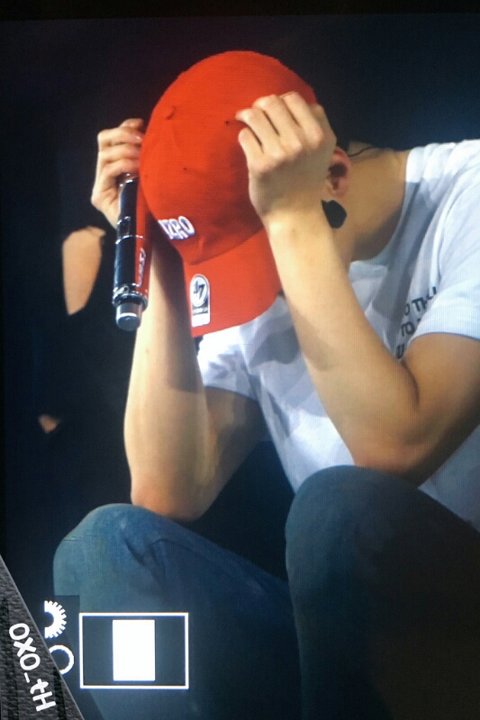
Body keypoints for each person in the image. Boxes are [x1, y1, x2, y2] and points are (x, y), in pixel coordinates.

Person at [54, 50, 480, 720]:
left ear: (333, 174)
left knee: (339, 511)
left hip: (460, 624)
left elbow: (398, 446)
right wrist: (159, 253)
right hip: (351, 655)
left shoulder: (466, 196)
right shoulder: (252, 257)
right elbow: (169, 488)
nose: (262, 297)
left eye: (260, 263)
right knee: (106, 549)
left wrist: (291, 225)